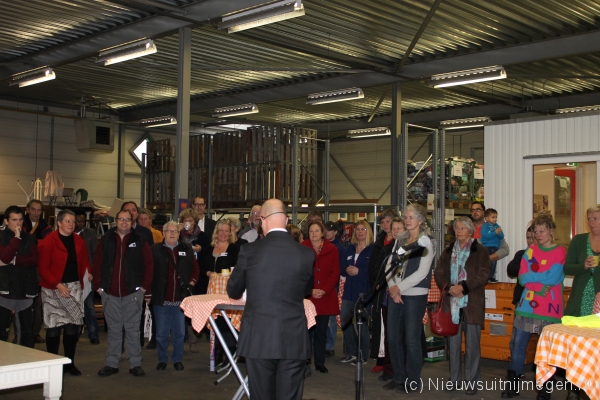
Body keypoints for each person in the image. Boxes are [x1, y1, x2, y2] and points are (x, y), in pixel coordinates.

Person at [227, 199, 314, 400]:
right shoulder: (306, 254)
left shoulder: (249, 251)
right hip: (294, 338)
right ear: (286, 220)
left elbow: (233, 290)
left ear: (262, 220)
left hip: (259, 337)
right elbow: (306, 290)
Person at [502, 214, 566, 400]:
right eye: (536, 232)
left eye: (542, 231)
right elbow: (522, 277)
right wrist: (540, 286)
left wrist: (534, 278)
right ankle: (512, 385)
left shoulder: (560, 251)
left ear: (551, 231)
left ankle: (545, 390)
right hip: (527, 307)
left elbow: (554, 276)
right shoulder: (530, 250)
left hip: (549, 308)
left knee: (546, 350)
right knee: (518, 346)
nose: (538, 235)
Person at [93, 209, 154, 378]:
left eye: (127, 219)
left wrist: (143, 288)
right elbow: (97, 263)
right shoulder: (106, 239)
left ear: (132, 221)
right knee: (114, 330)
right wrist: (99, 287)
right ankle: (111, 363)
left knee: (133, 330)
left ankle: (135, 364)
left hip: (132, 294)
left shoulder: (140, 240)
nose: (124, 222)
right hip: (110, 294)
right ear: (116, 221)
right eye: (121, 219)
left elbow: (149, 265)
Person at [435, 216, 490, 395]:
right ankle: (454, 380)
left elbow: (483, 274)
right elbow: (439, 272)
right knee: (453, 346)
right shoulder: (448, 250)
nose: (458, 231)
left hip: (472, 304)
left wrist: (463, 287)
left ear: (470, 230)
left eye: (462, 228)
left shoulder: (480, 250)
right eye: (456, 228)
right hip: (452, 305)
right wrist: (450, 288)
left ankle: (472, 382)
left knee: (473, 346)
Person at [382, 204, 434, 393]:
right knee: (393, 338)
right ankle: (399, 377)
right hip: (396, 293)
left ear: (421, 220)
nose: (407, 220)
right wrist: (392, 288)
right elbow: (390, 264)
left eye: (411, 217)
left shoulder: (426, 242)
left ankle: (413, 380)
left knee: (411, 340)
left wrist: (399, 288)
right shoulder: (401, 240)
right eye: (406, 217)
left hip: (415, 296)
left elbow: (422, 272)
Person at [38, 209, 92, 376]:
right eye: (68, 221)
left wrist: (88, 272)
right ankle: (53, 364)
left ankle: (69, 363)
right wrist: (57, 284)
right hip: (52, 289)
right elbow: (43, 268)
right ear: (59, 223)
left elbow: (84, 260)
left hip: (73, 288)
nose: (71, 224)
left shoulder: (79, 240)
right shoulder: (49, 241)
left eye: (73, 221)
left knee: (71, 328)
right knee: (54, 328)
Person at [561, 204, 600, 400]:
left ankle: (594, 388)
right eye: (589, 219)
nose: (592, 223)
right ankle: (574, 389)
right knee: (576, 346)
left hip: (598, 303)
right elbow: (567, 267)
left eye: (596, 219)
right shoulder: (578, 240)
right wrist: (582, 266)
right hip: (579, 299)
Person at [150, 221, 199, 371]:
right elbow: (149, 271)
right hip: (161, 299)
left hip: (180, 300)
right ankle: (162, 359)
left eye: (175, 231)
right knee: (161, 334)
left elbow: (195, 269)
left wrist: (191, 282)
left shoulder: (186, 249)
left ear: (179, 234)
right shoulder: (154, 250)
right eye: (169, 231)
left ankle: (178, 359)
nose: (172, 234)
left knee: (180, 334)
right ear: (163, 233)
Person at [301, 220, 340, 374]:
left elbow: (335, 272)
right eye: (311, 231)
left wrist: (323, 290)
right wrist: (310, 290)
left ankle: (320, 362)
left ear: (322, 233)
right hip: (308, 297)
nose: (314, 234)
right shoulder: (302, 248)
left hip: (325, 296)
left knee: (321, 331)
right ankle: (305, 362)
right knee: (306, 332)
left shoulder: (333, 249)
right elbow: (300, 272)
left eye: (317, 231)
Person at [201, 218, 240, 364]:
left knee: (227, 321)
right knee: (215, 322)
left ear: (230, 233)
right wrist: (208, 273)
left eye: (226, 231)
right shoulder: (209, 248)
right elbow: (202, 266)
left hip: (228, 291)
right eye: (221, 230)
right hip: (212, 290)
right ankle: (216, 352)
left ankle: (229, 353)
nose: (223, 233)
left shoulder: (234, 249)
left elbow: (238, 268)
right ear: (216, 232)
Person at [0, 205, 39, 348]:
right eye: (14, 220)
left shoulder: (30, 238)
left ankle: (27, 359)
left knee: (26, 332)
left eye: (20, 220)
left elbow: (34, 259)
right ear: (6, 221)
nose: (18, 223)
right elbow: (5, 257)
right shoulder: (1, 237)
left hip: (25, 289)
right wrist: (16, 238)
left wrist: (15, 260)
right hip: (5, 290)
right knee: (2, 331)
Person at [368, 208, 399, 378]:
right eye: (383, 222)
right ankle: (380, 359)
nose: (386, 225)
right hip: (378, 288)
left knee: (390, 328)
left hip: (391, 288)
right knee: (379, 326)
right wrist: (375, 283)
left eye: (389, 221)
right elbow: (373, 265)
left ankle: (390, 362)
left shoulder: (398, 243)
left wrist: (385, 283)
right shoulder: (379, 242)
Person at [121, 201, 155, 349]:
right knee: (120, 316)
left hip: (138, 281)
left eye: (133, 210)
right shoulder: (113, 233)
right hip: (120, 281)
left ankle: (137, 346)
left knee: (138, 314)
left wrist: (146, 283)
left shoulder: (145, 232)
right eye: (127, 210)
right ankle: (119, 345)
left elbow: (150, 259)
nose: (131, 212)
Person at [340, 219, 374, 365]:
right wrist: (346, 269)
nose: (360, 232)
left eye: (363, 229)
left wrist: (359, 271)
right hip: (349, 291)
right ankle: (352, 352)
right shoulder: (350, 248)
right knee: (345, 321)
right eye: (358, 229)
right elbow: (342, 267)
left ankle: (363, 355)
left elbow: (374, 273)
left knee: (362, 324)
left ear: (368, 232)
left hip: (364, 293)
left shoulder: (372, 250)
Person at [22, 199, 51, 344]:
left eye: (39, 210)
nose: (36, 213)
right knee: (22, 300)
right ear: (27, 210)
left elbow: (48, 245)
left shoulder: (45, 227)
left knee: (38, 302)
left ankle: (35, 333)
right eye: (33, 209)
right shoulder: (21, 224)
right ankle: (21, 333)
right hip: (22, 267)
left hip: (39, 268)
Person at [74, 210, 100, 345]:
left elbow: (96, 254)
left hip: (87, 275)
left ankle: (93, 333)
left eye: (83, 221)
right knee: (74, 306)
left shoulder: (90, 233)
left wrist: (93, 272)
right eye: (78, 221)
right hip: (72, 276)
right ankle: (74, 333)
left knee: (89, 305)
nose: (80, 223)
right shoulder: (68, 233)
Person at [324, 221, 344, 358]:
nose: (327, 232)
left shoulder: (339, 248)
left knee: (331, 318)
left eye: (330, 230)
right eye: (325, 230)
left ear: (335, 232)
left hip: (334, 287)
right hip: (322, 286)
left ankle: (330, 346)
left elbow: (339, 269)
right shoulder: (322, 245)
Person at [470, 202, 510, 270]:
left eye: (478, 209)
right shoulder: (466, 229)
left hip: (486, 272)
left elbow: (505, 250)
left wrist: (487, 258)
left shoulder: (494, 228)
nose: (475, 212)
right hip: (468, 271)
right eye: (473, 210)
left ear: (484, 212)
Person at [480, 208, 505, 283]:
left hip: (494, 247)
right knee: (486, 263)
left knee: (493, 262)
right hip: (486, 246)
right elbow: (485, 235)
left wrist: (499, 233)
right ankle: (485, 276)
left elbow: (502, 237)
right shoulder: (485, 226)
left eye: (496, 217)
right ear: (487, 218)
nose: (495, 219)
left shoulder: (497, 226)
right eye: (493, 217)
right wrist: (494, 233)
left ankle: (491, 277)